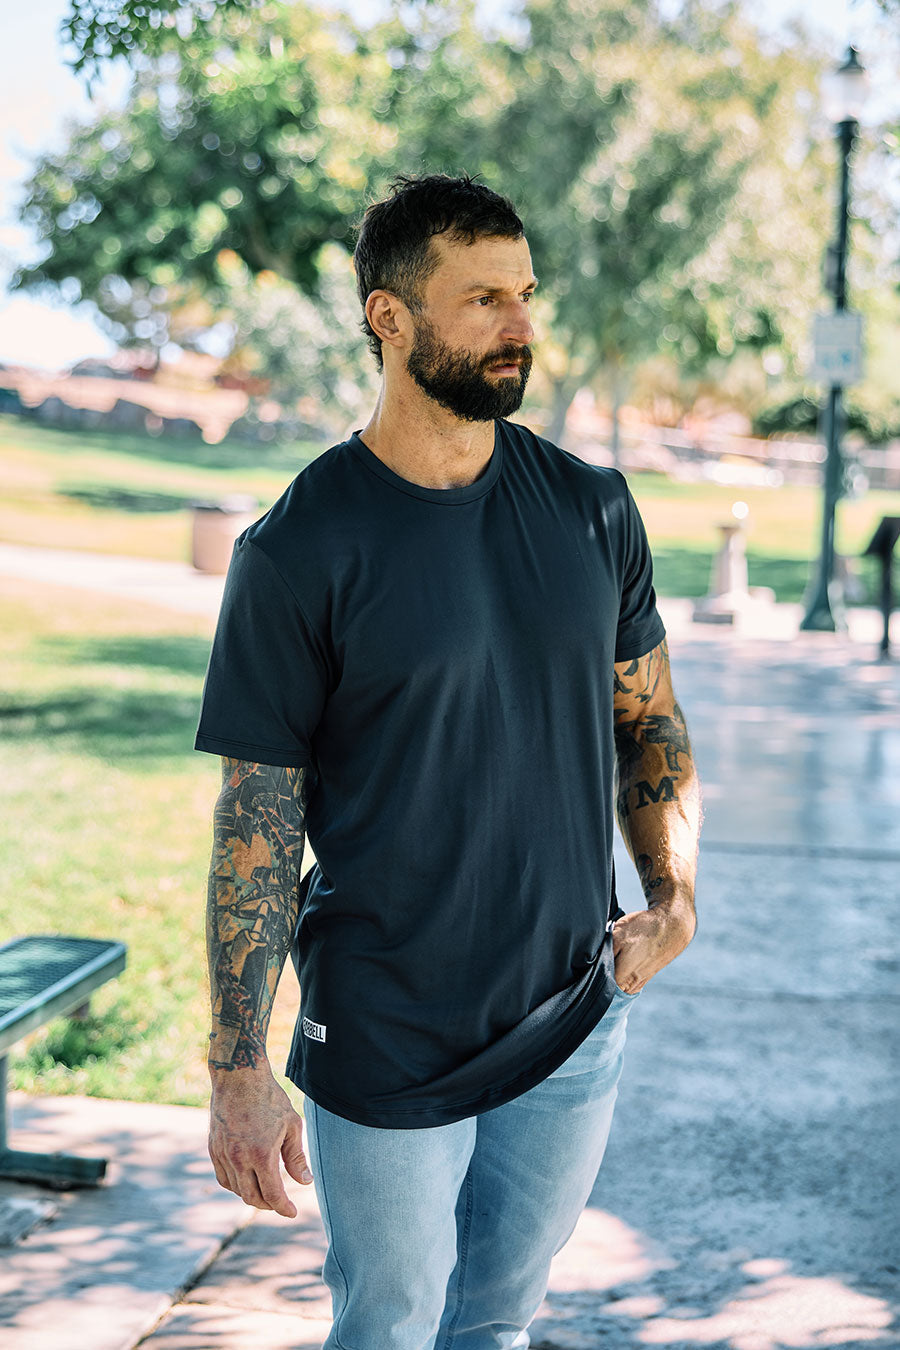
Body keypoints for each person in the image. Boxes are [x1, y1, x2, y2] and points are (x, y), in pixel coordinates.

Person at [195, 172, 701, 1350]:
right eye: (483, 299)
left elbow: (650, 722)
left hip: (571, 1013)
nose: (521, 325)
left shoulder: (594, 510)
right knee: (390, 1324)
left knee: (500, 1322)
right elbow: (258, 825)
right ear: (390, 317)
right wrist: (237, 1068)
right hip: (386, 1025)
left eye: (526, 294)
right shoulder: (298, 548)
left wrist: (673, 898)